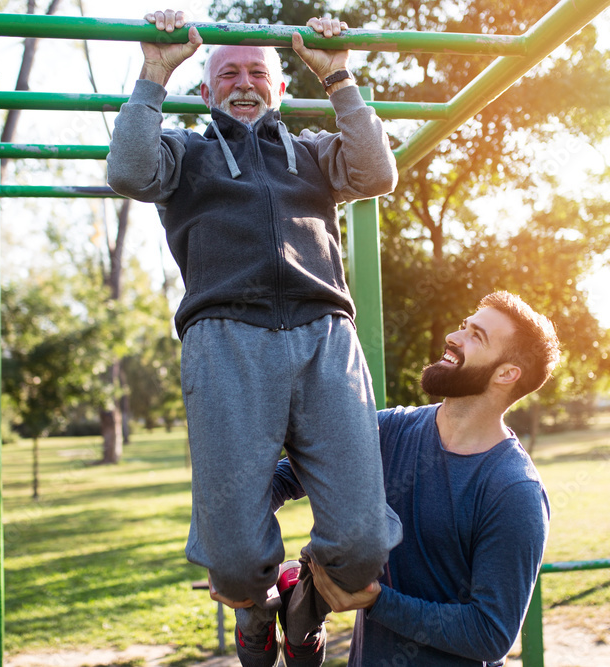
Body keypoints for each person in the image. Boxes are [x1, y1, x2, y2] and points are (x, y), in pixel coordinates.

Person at [106, 10, 401, 667]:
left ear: (280, 89)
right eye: (228, 73)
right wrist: (154, 73)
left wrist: (340, 77)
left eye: (258, 73)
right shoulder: (185, 153)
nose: (245, 83)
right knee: (234, 558)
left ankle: (305, 604)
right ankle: (255, 602)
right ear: (205, 92)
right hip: (227, 339)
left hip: (325, 337)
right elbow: (128, 171)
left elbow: (378, 173)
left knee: (360, 546)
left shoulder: (314, 154)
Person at [272, 291, 560, 666]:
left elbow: (491, 633)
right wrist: (240, 546)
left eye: (477, 336)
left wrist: (378, 601)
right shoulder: (390, 429)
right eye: (463, 327)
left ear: (506, 374)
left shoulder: (513, 490)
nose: (454, 338)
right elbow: (289, 475)